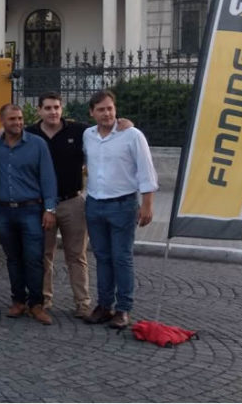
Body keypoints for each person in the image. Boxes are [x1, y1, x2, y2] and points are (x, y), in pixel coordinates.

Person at [83, 90, 158, 329]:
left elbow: (146, 170)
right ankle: (104, 305)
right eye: (101, 109)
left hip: (123, 206)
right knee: (102, 257)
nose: (106, 113)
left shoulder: (132, 135)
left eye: (110, 108)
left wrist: (147, 204)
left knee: (122, 258)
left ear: (115, 109)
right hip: (94, 204)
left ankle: (123, 309)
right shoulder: (87, 135)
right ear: (92, 113)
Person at [26, 92, 93, 319]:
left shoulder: (79, 131)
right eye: (48, 108)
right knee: (44, 254)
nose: (53, 112)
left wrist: (125, 123)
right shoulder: (30, 133)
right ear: (39, 110)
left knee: (77, 256)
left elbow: (108, 128)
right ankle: (44, 301)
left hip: (72, 202)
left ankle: (83, 303)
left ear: (62, 109)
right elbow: (2, 135)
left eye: (56, 107)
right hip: (42, 205)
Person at [0, 104, 58, 325]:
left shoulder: (37, 145)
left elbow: (48, 178)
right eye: (12, 119)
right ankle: (18, 300)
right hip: (4, 211)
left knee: (34, 259)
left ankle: (36, 304)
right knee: (13, 259)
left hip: (31, 210)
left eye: (20, 118)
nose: (17, 123)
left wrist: (50, 209)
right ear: (2, 121)